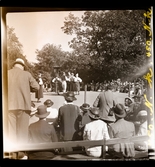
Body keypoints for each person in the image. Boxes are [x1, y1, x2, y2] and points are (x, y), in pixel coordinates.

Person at [8, 58, 39, 146]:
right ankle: (22, 152)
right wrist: (27, 89)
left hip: (9, 106)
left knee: (11, 130)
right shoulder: (27, 74)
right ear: (22, 66)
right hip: (24, 106)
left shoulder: (6, 73)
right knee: (22, 131)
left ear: (14, 65)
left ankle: (12, 151)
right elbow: (36, 87)